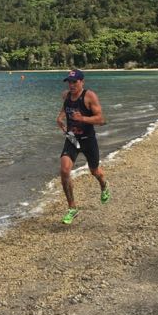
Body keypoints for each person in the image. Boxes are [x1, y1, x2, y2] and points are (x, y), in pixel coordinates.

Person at [56, 69, 110, 224]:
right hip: (72, 139)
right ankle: (72, 208)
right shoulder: (66, 96)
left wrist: (83, 118)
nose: (72, 85)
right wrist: (60, 118)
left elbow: (101, 120)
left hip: (88, 140)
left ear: (82, 82)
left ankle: (104, 185)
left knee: (95, 172)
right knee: (65, 170)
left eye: (75, 82)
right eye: (69, 82)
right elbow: (64, 109)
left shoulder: (89, 96)